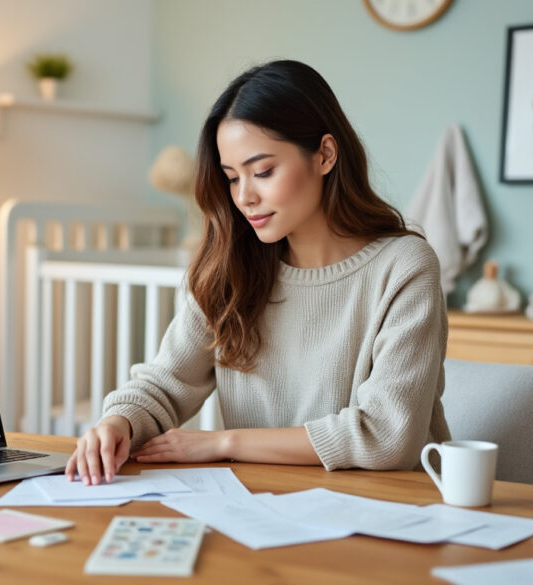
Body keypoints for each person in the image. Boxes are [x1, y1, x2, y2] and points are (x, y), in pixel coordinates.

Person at [66, 60, 449, 485]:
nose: (244, 197)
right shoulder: (229, 268)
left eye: (263, 172)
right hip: (263, 503)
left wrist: (223, 443)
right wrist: (118, 422)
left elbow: (386, 436)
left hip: (390, 506)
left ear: (324, 154)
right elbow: (166, 383)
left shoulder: (404, 267)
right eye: (232, 178)